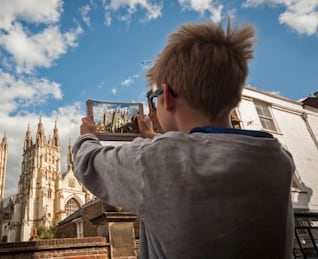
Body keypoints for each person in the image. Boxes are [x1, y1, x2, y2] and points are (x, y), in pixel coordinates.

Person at [72, 21, 294, 258]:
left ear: (167, 97)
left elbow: (88, 162)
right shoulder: (278, 158)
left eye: (155, 98)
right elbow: (206, 151)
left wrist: (87, 135)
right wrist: (152, 136)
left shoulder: (154, 159)